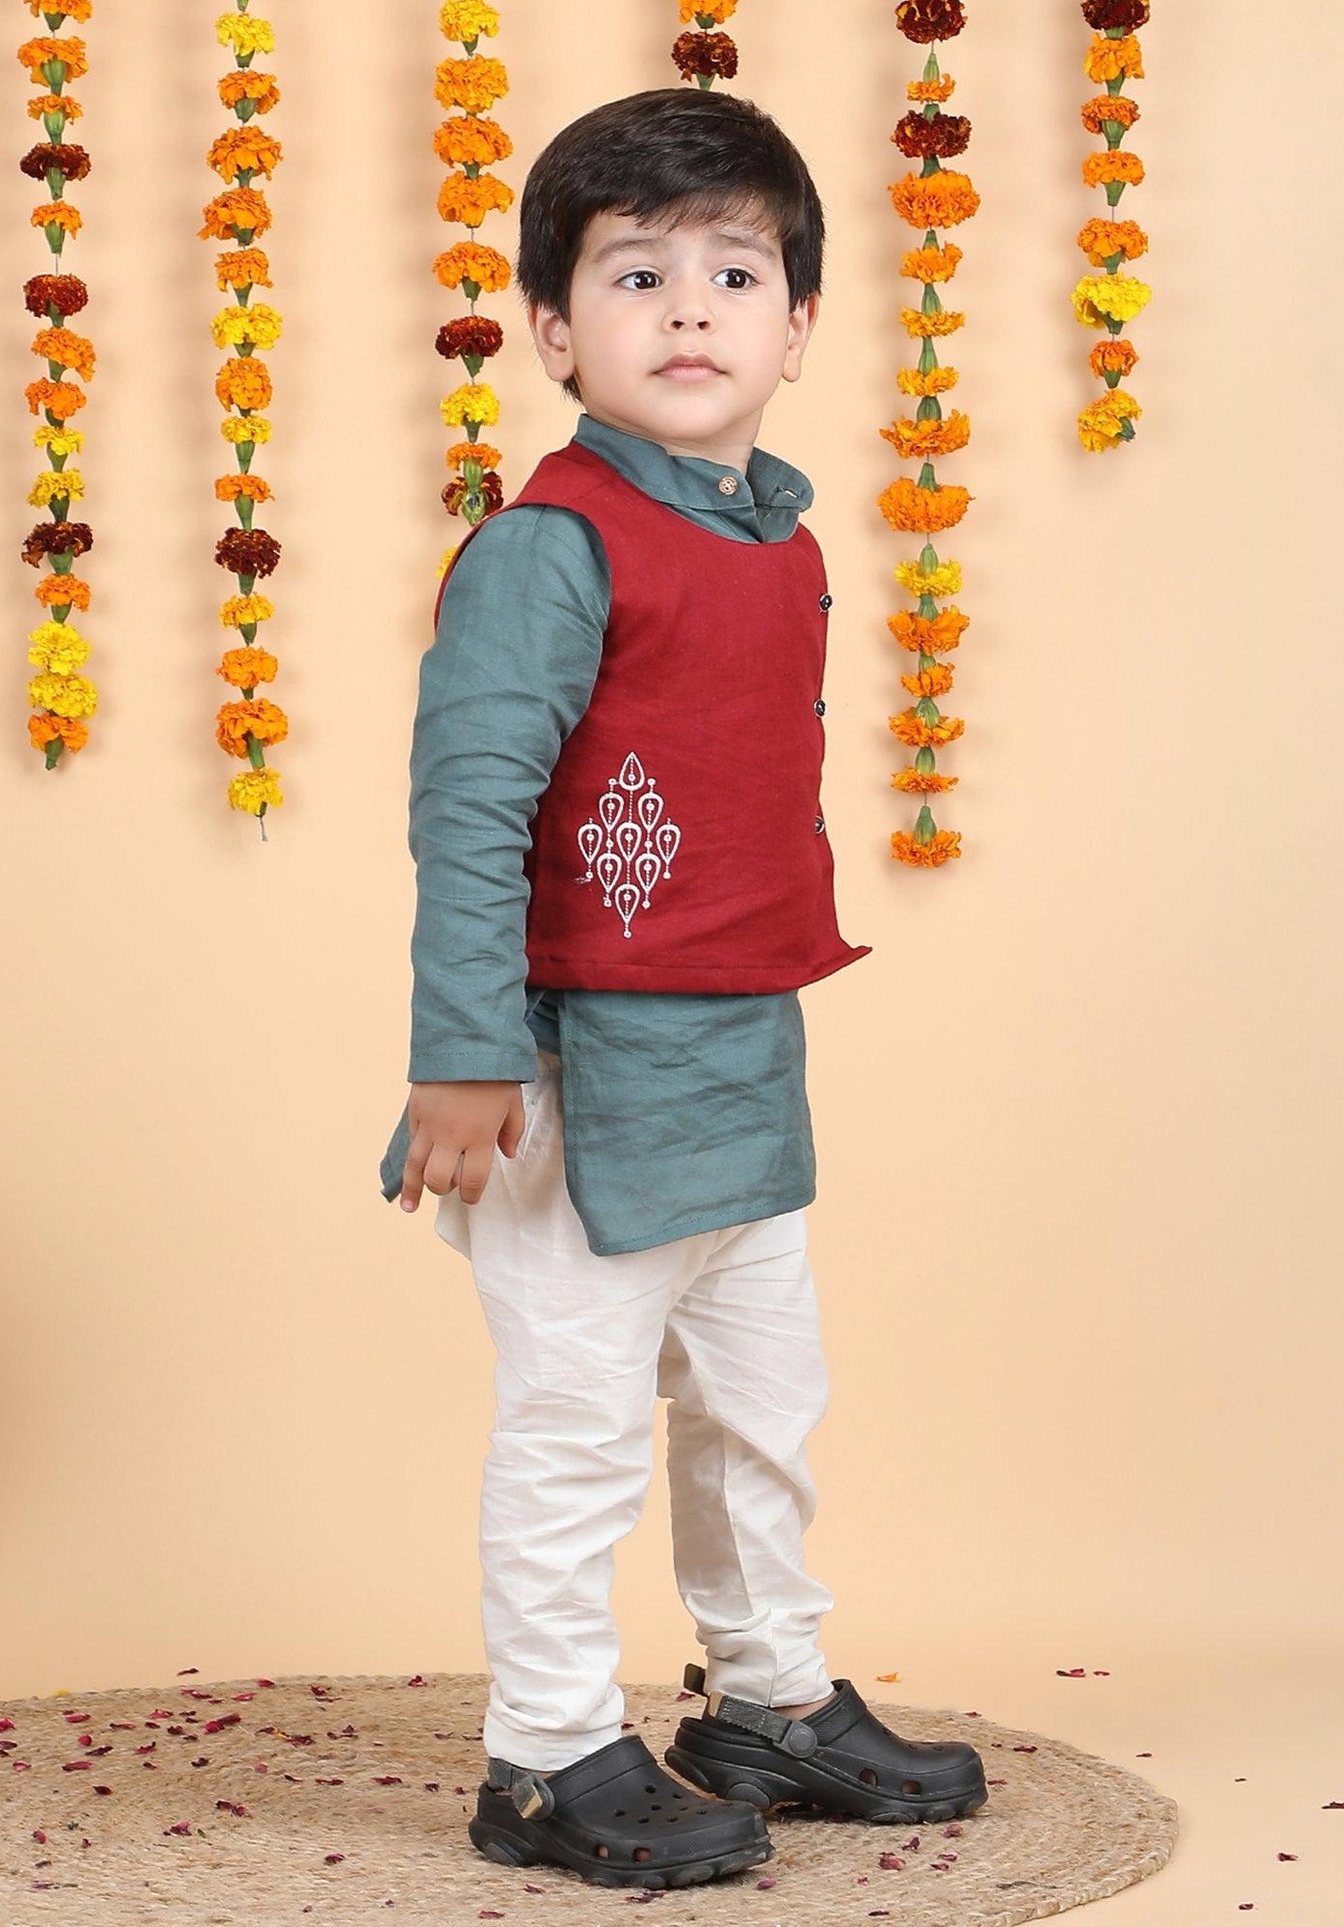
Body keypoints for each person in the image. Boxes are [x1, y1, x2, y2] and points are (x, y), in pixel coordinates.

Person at [378, 85, 987, 1891]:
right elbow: (471, 808)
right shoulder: (548, 547)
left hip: (741, 1057)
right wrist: (463, 1054)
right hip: (572, 1078)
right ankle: (546, 1752)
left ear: (798, 328)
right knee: (577, 1432)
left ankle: (767, 1700)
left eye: (735, 272)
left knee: (758, 1409)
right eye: (636, 275)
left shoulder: (782, 546)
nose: (690, 310)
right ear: (554, 331)